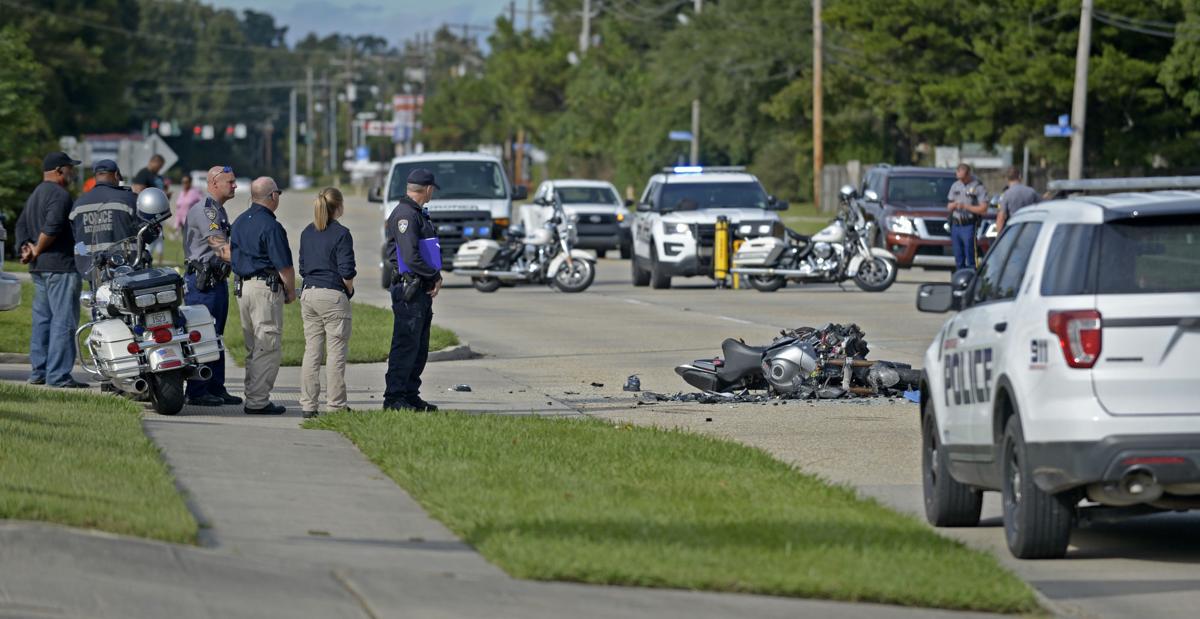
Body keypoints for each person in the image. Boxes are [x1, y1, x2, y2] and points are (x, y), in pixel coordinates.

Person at [14, 152, 86, 388]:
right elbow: (52, 227)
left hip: (40, 269)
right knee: (63, 321)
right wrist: (36, 249)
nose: (72, 173)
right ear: (58, 171)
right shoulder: (60, 195)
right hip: (60, 267)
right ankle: (58, 376)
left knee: (42, 321)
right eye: (69, 169)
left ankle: (39, 372)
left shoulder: (36, 194)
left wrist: (25, 248)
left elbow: (21, 224)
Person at [230, 177, 295, 415]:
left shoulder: (239, 222)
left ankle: (253, 395)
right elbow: (284, 267)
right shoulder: (271, 226)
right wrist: (290, 291)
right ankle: (257, 401)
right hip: (263, 290)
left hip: (242, 289)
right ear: (272, 196)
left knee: (253, 345)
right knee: (267, 345)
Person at [383, 168, 443, 412]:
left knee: (418, 347)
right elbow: (410, 256)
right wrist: (434, 275)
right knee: (406, 346)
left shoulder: (416, 213)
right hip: (409, 289)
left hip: (419, 289)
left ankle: (409, 394)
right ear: (428, 189)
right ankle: (395, 398)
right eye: (432, 190)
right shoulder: (405, 215)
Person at [182, 166, 241, 407]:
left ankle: (216, 386)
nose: (235, 185)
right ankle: (197, 391)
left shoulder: (218, 210)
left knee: (215, 337)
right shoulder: (207, 211)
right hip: (202, 286)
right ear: (215, 183)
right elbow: (221, 249)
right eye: (231, 181)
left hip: (216, 282)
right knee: (201, 336)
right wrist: (253, 262)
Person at [298, 188, 356, 419]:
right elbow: (347, 271)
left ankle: (308, 405)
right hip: (333, 294)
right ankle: (335, 405)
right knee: (335, 353)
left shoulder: (306, 232)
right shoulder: (342, 234)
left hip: (309, 293)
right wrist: (348, 290)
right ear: (338, 207)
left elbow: (302, 267)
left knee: (312, 351)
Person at [68, 160, 150, 287]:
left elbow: (77, 241)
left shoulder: (78, 204)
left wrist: (87, 258)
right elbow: (146, 233)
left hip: (93, 273)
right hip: (125, 271)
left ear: (95, 176)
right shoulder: (129, 199)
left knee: (99, 305)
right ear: (116, 175)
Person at [945, 163, 988, 272]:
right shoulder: (955, 186)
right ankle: (960, 277)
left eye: (963, 178)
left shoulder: (977, 186)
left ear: (969, 174)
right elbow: (948, 206)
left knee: (970, 256)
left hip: (969, 225)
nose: (962, 181)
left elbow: (983, 208)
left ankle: (971, 277)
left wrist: (966, 207)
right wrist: (954, 205)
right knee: (958, 256)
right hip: (956, 225)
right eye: (959, 178)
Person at [133, 155, 169, 263]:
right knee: (149, 235)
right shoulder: (143, 173)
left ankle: (158, 260)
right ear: (153, 162)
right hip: (148, 212)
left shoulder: (157, 176)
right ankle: (145, 258)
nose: (160, 168)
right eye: (159, 166)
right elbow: (137, 189)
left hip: (159, 211)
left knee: (158, 235)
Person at [995, 166, 1040, 234]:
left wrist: (999, 236)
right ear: (1020, 176)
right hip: (1030, 230)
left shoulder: (1006, 194)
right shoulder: (1031, 192)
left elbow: (1001, 217)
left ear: (1007, 178)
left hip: (1012, 230)